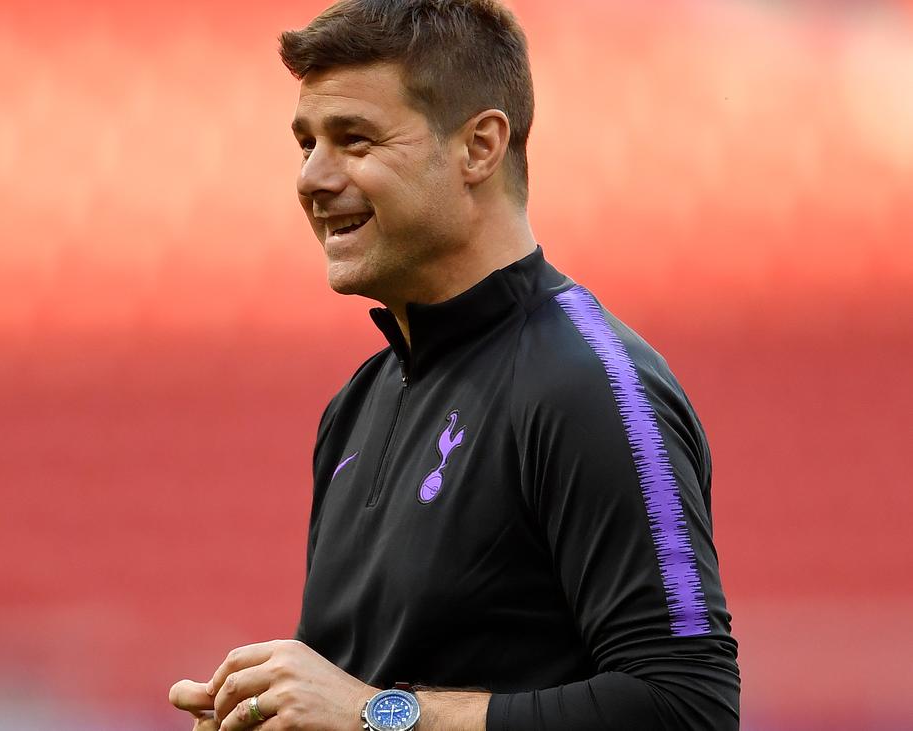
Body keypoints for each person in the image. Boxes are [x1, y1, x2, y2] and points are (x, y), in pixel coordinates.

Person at [169, 0, 740, 728]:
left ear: (479, 146)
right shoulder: (357, 403)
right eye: (307, 143)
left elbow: (689, 706)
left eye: (354, 140)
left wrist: (379, 713)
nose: (312, 177)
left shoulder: (587, 387)